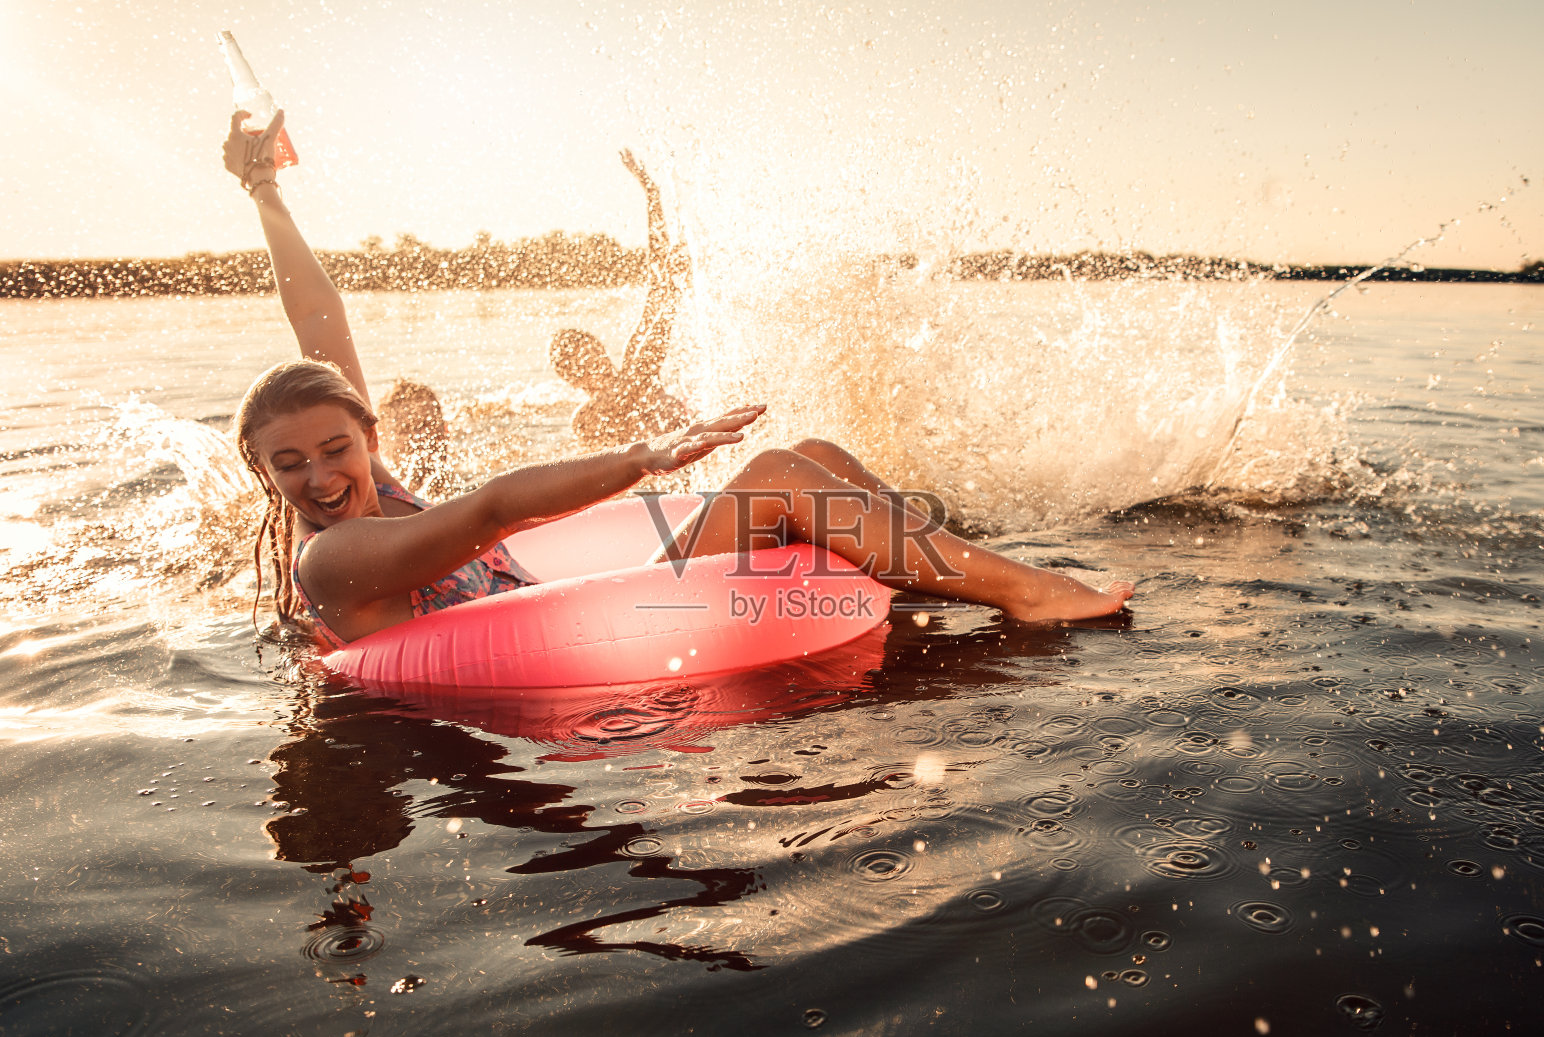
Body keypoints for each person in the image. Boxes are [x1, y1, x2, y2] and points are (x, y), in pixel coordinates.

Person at [224, 110, 1135, 646]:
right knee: (779, 474)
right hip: (581, 635)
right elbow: (494, 509)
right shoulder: (330, 555)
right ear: (264, 472)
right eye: (289, 464)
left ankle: (941, 576)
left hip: (564, 607)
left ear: (367, 435)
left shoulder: (370, 485)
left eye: (335, 447)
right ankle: (1025, 592)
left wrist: (265, 193)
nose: (318, 474)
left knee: (813, 452)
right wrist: (646, 456)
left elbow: (322, 329)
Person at [551, 148, 691, 447]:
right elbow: (662, 304)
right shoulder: (586, 419)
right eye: (581, 362)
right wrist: (673, 291)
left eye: (592, 351)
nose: (594, 361)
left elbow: (658, 283)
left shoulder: (636, 361)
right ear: (572, 378)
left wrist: (652, 196)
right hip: (651, 486)